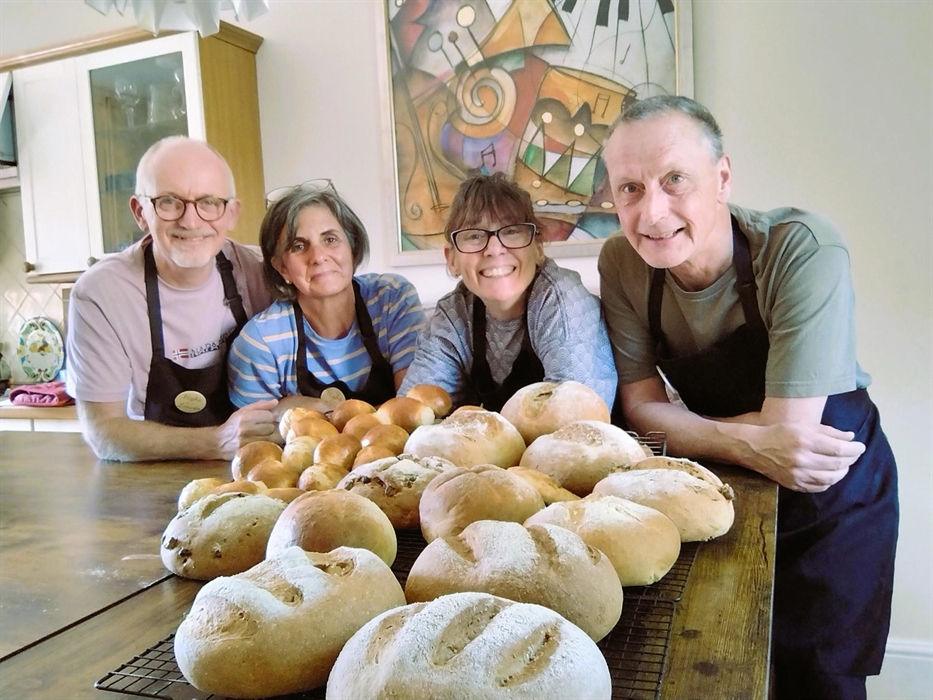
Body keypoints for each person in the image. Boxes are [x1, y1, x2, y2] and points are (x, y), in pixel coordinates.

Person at [598, 95, 898, 699]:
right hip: (729, 494)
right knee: (728, 668)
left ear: (722, 178)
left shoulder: (800, 249)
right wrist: (745, 438)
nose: (652, 212)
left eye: (674, 179)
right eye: (629, 188)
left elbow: (791, 436)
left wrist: (689, 424)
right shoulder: (621, 264)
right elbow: (638, 405)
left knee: (823, 680)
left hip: (832, 498)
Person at [66, 136, 278, 462]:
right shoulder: (101, 294)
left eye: (209, 202)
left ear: (231, 213)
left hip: (251, 473)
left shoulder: (255, 272)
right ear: (140, 212)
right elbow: (104, 433)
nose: (190, 221)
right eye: (169, 201)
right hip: (147, 484)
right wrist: (217, 441)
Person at [399, 172, 617, 412]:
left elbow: (575, 418)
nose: (494, 249)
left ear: (538, 247)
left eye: (512, 231)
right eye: (474, 235)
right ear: (452, 260)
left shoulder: (562, 299)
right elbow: (413, 414)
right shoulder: (453, 316)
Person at [228, 182, 426, 413]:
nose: (318, 257)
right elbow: (254, 437)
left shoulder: (393, 300)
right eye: (298, 245)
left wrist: (307, 409)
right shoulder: (260, 342)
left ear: (352, 247)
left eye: (330, 239)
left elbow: (413, 409)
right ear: (282, 268)